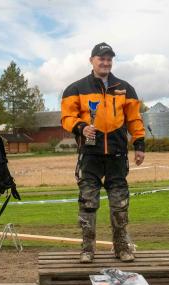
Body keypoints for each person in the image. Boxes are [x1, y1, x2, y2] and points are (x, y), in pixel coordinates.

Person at [61, 42, 145, 263]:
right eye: (101, 58)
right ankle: (87, 249)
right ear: (92, 60)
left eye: (109, 59)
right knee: (88, 203)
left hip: (117, 156)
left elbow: (135, 119)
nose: (105, 62)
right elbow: (67, 117)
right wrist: (80, 127)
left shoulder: (125, 88)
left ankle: (122, 247)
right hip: (90, 156)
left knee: (120, 204)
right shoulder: (75, 88)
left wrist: (139, 145)